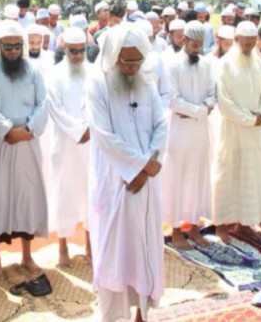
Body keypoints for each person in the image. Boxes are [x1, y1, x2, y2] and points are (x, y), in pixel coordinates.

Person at [86, 24, 167, 322]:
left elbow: (161, 123)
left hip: (145, 184)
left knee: (145, 248)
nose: (132, 68)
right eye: (126, 61)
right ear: (113, 57)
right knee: (113, 254)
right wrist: (139, 167)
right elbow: (104, 135)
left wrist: (147, 168)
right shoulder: (98, 84)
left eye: (137, 60)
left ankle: (141, 314)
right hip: (114, 182)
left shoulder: (146, 81)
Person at [0, 20, 49, 280]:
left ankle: (27, 256)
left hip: (27, 142)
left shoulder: (33, 69)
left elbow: (43, 102)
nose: (12, 51)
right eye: (7, 47)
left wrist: (27, 130)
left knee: (26, 197)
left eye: (17, 46)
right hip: (1, 143)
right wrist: (9, 130)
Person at [212, 21, 261, 242]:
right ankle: (221, 224)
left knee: (250, 175)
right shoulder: (225, 64)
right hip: (232, 129)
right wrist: (248, 119)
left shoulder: (259, 63)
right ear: (236, 41)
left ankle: (245, 221)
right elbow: (224, 101)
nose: (247, 48)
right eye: (244, 43)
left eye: (251, 44)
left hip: (253, 131)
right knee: (227, 175)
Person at [163, 21, 216, 248]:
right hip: (179, 132)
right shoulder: (172, 65)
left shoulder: (206, 65)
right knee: (177, 178)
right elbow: (172, 100)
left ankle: (194, 228)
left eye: (200, 45)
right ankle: (176, 230)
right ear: (184, 40)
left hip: (200, 132)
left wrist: (200, 110)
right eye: (193, 44)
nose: (197, 49)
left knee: (198, 178)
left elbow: (214, 94)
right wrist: (199, 111)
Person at [46, 28, 93, 267]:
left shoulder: (93, 72)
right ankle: (63, 247)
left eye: (81, 51)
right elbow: (55, 109)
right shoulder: (54, 75)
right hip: (65, 145)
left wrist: (90, 129)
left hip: (91, 144)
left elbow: (100, 104)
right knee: (65, 194)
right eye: (73, 51)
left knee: (91, 194)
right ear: (64, 49)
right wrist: (78, 131)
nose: (77, 56)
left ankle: (90, 243)